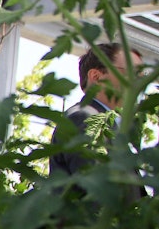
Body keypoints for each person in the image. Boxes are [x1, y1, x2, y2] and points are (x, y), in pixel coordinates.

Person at [49, 42, 140, 178]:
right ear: (96, 77)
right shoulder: (84, 117)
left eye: (141, 75)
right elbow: (95, 183)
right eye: (131, 73)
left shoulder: (109, 124)